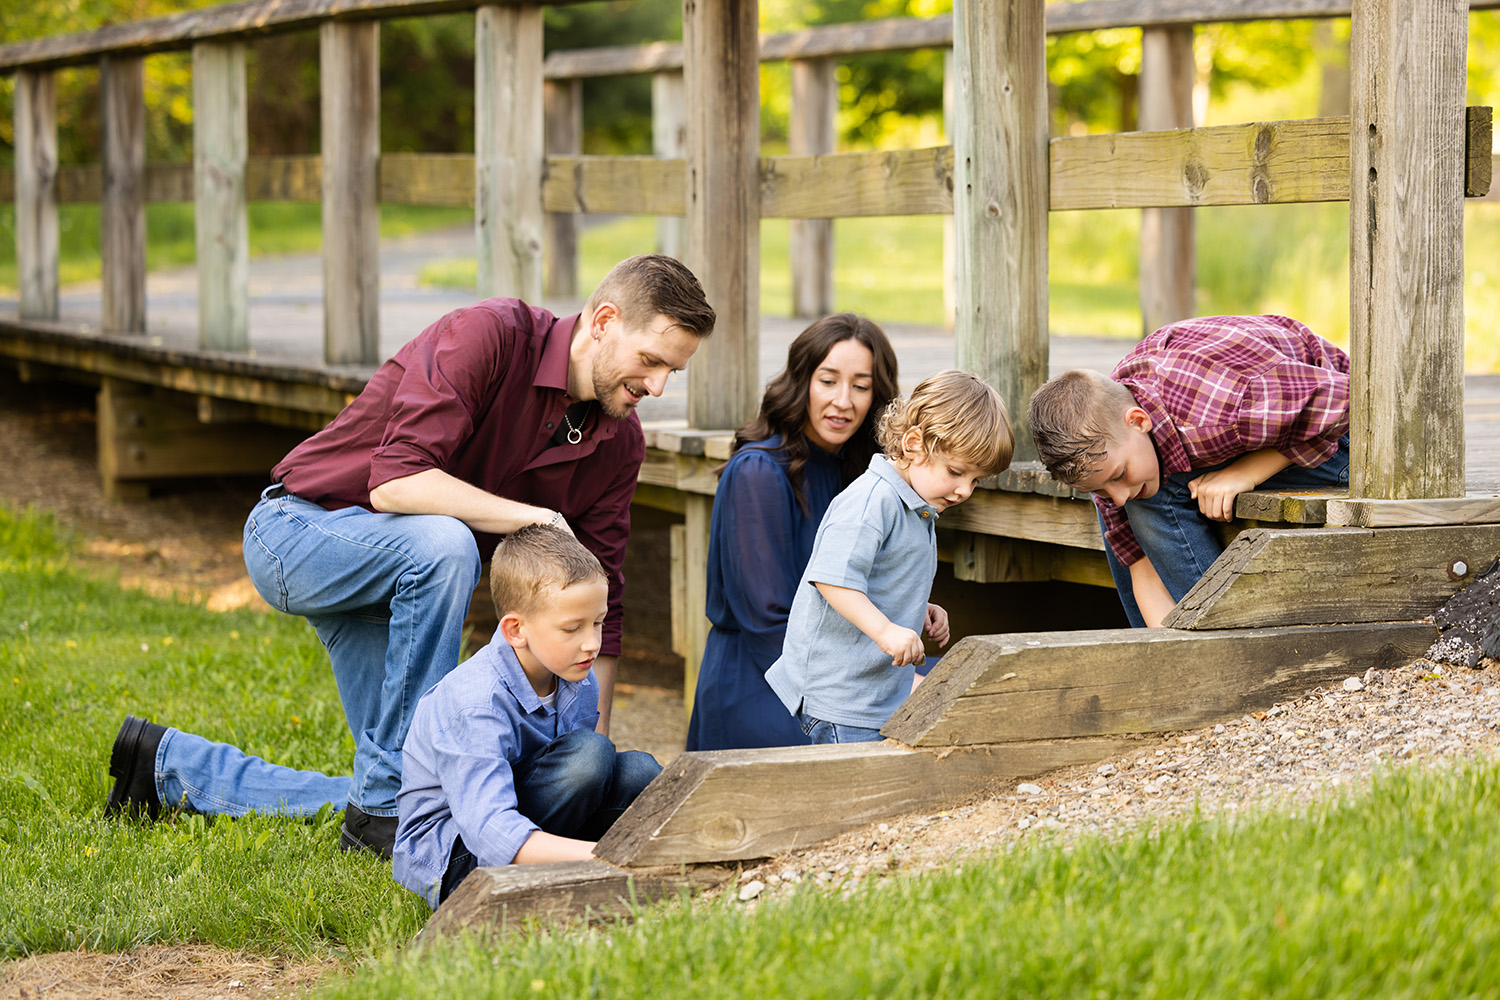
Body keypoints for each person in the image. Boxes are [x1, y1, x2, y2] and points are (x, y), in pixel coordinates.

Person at [103, 254, 715, 858]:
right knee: (446, 545)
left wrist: (590, 756)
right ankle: (382, 813)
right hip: (300, 530)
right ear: (603, 321)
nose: (658, 386)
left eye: (673, 373)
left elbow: (603, 601)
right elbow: (395, 484)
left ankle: (165, 764)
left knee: (416, 783)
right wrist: (537, 518)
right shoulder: (492, 336)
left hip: (409, 583)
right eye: (651, 360)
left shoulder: (618, 442)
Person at [394, 524, 661, 909]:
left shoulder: (577, 677)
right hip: (459, 857)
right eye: (572, 628)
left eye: (598, 622)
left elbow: (575, 785)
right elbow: (488, 829)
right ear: (516, 630)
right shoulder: (475, 703)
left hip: (534, 818)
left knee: (639, 771)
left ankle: (617, 870)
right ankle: (571, 878)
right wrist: (605, 858)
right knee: (589, 755)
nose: (592, 643)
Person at [1027, 314, 1350, 629]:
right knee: (1134, 501)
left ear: (1138, 421)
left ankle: (1218, 634)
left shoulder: (1224, 407)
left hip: (1354, 443)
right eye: (1099, 488)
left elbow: (1351, 402)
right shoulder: (1107, 448)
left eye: (1116, 476)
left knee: (1151, 495)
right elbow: (1140, 566)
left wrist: (1245, 473)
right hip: (1266, 427)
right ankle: (1168, 656)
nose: (1117, 496)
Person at [685, 314, 900, 751]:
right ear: (802, 382)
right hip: (766, 681)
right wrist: (870, 690)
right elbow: (769, 623)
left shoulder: (859, 475)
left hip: (836, 671)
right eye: (828, 381)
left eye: (860, 386)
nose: (843, 401)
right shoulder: (758, 472)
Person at [765, 371, 1013, 743]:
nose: (964, 490)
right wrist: (886, 629)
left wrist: (916, 606)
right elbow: (832, 579)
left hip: (874, 692)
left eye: (976, 480)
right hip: (841, 695)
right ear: (914, 444)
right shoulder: (872, 502)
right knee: (858, 792)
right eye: (956, 472)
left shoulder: (917, 503)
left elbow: (879, 576)